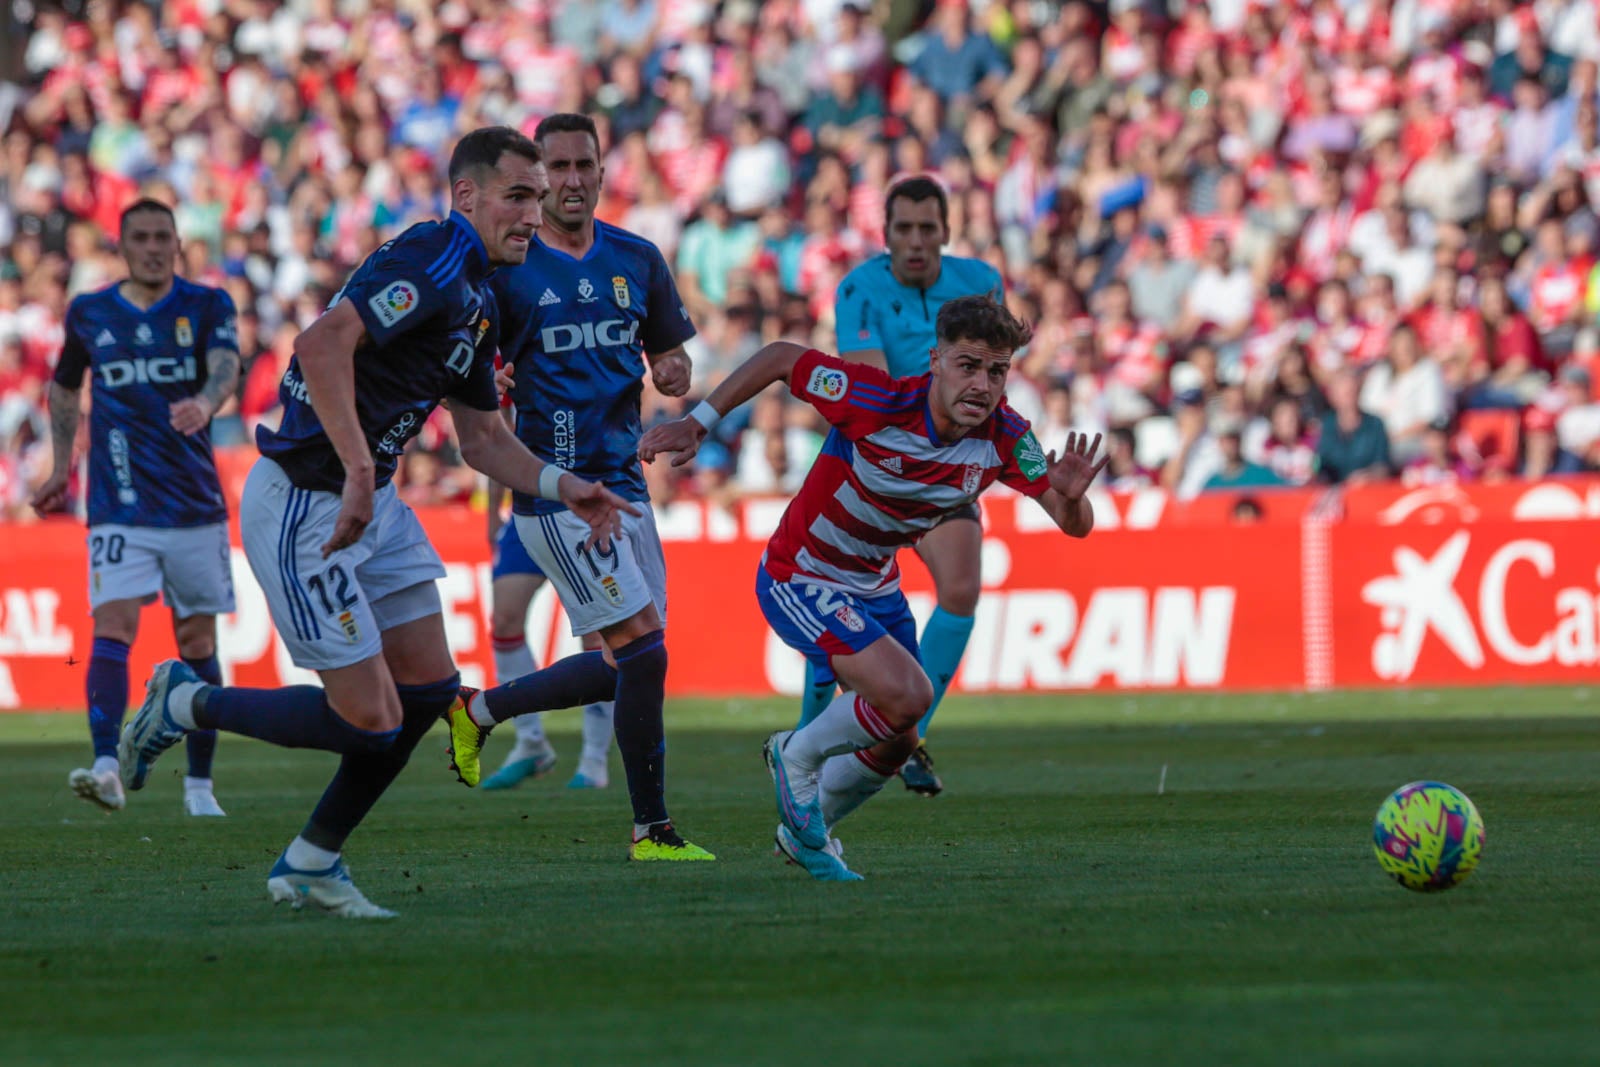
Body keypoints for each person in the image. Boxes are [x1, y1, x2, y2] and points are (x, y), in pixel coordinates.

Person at [117, 127, 637, 918]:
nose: (535, 212)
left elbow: (485, 441)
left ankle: (312, 861)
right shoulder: (432, 254)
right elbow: (323, 344)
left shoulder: (480, 298)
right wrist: (360, 468)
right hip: (307, 500)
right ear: (467, 197)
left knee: (429, 691)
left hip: (372, 501)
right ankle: (187, 700)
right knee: (370, 719)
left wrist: (567, 485)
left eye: (539, 197)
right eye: (518, 195)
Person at [639, 295, 1106, 880]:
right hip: (801, 572)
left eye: (997, 370)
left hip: (874, 586)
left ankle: (805, 837)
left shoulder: (1009, 436)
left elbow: (1074, 526)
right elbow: (783, 356)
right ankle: (795, 751)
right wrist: (696, 422)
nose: (983, 384)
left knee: (899, 738)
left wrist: (1070, 494)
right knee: (910, 695)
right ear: (935, 360)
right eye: (968, 365)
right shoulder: (877, 398)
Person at [443, 113, 713, 862]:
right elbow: (469, 368)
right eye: (554, 167)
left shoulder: (637, 257)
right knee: (644, 654)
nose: (569, 180)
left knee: (633, 659)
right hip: (555, 490)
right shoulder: (506, 269)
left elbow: (670, 357)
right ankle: (650, 828)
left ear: (601, 171)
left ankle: (482, 706)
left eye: (581, 165)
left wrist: (673, 373)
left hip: (626, 484)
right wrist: (489, 378)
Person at [33, 198, 241, 818]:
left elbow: (227, 368)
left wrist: (205, 402)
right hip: (118, 504)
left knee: (197, 639)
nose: (154, 247)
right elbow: (66, 384)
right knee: (113, 626)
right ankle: (105, 766)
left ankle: (199, 786)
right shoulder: (91, 312)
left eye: (163, 237)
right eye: (142, 238)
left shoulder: (207, 305)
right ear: (121, 247)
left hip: (194, 505)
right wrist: (60, 465)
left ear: (178, 244)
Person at [826, 175, 1005, 796]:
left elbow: (990, 378)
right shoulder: (858, 289)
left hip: (947, 469)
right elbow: (873, 396)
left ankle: (909, 738)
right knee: (833, 605)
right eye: (904, 229)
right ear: (886, 236)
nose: (917, 242)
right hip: (871, 470)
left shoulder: (982, 281)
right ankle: (809, 735)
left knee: (960, 588)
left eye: (928, 228)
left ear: (947, 232)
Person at [479, 464, 615, 791]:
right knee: (504, 620)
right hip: (527, 512)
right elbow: (497, 436)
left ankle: (594, 759)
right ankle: (531, 743)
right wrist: (492, 511)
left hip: (579, 512)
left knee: (596, 632)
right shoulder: (511, 409)